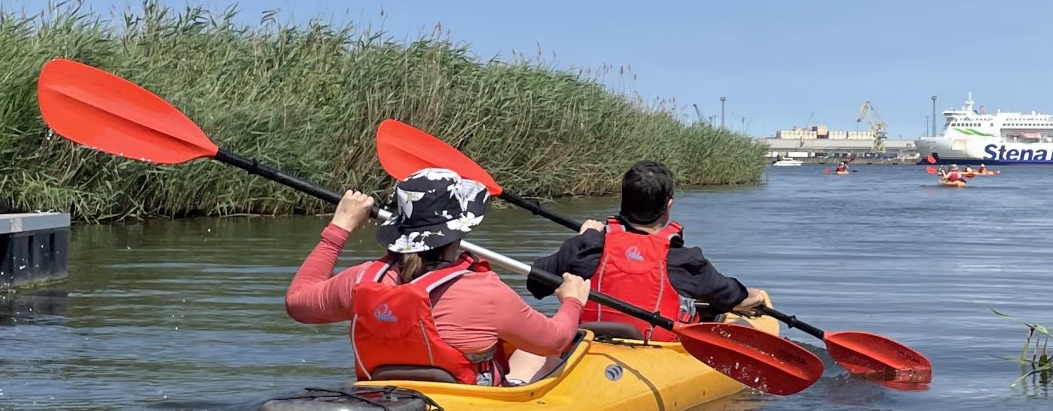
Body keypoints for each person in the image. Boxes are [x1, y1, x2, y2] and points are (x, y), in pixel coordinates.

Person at [285, 168, 590, 386]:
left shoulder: (362, 279)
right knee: (541, 355)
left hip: (386, 399)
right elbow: (555, 340)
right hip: (467, 401)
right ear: (462, 229)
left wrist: (340, 226)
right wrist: (572, 301)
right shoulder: (484, 291)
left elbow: (297, 303)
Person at [526, 160, 767, 341]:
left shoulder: (587, 246)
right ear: (668, 206)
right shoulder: (684, 260)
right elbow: (732, 297)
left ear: (623, 201)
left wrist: (578, 240)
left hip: (587, 346)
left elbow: (535, 283)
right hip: (655, 354)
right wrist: (756, 296)